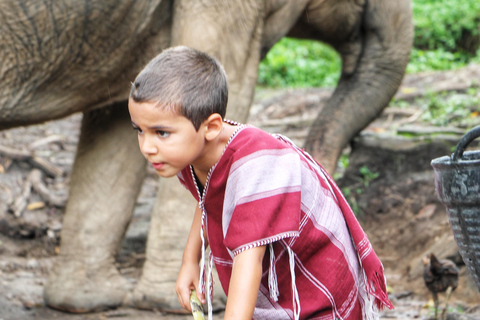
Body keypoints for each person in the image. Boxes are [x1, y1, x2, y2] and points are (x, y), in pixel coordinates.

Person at [128, 46, 393, 320]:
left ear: (211, 127)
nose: (147, 147)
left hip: (318, 281)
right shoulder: (188, 150)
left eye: (161, 132)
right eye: (140, 131)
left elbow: (249, 263)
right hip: (279, 278)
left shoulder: (256, 169)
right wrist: (190, 262)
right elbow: (207, 199)